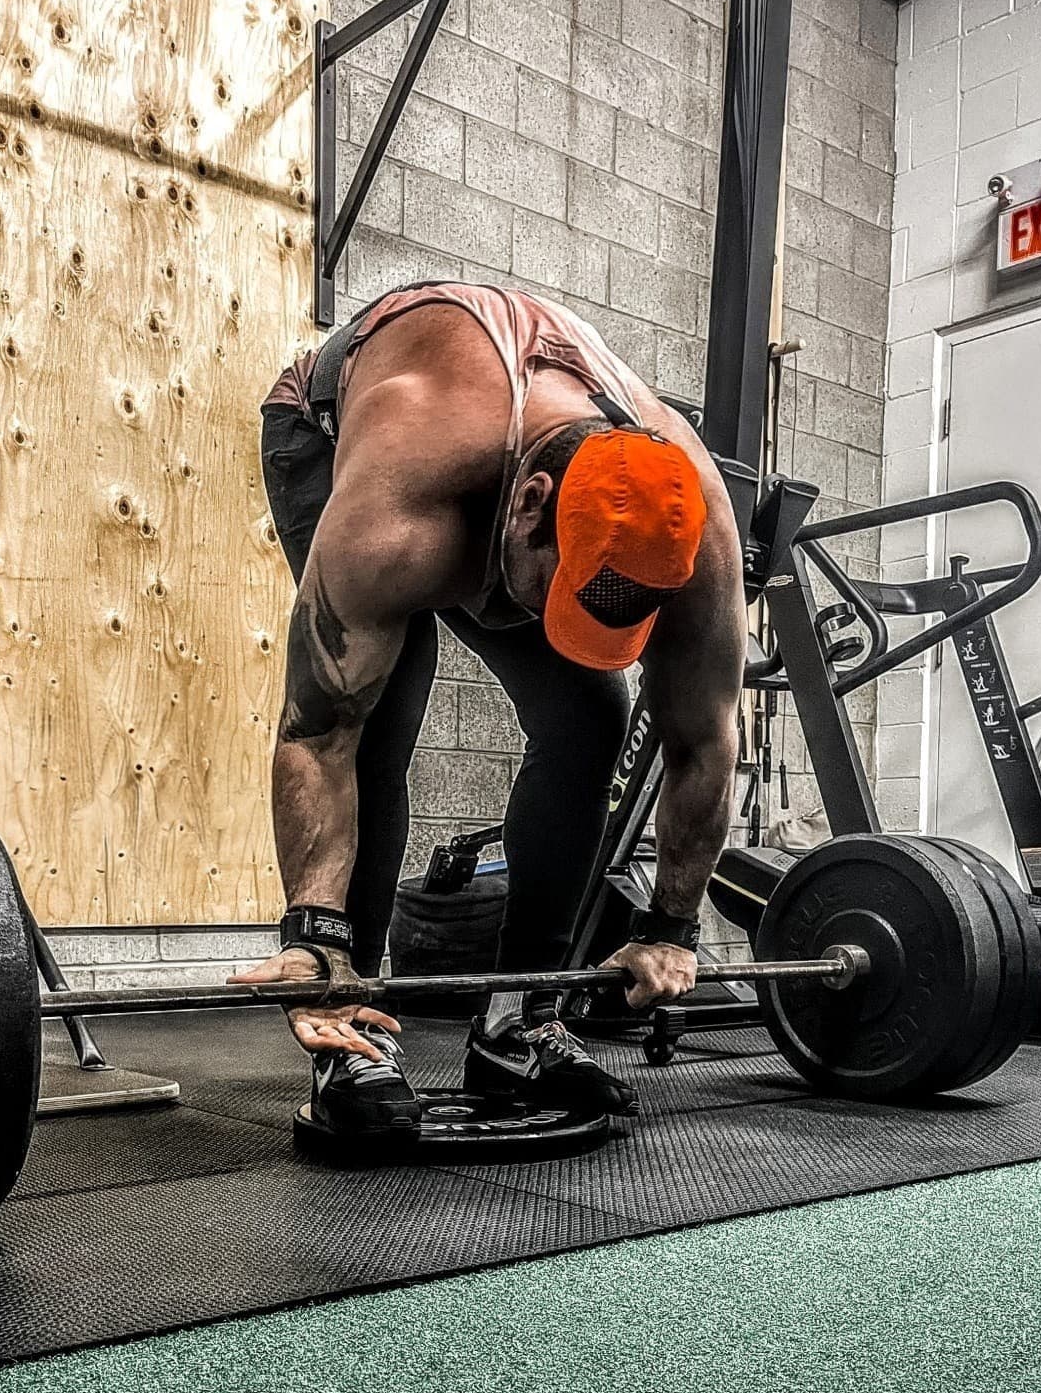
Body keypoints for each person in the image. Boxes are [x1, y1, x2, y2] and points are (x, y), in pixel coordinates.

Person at [233, 281, 746, 1137]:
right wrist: (314, 930)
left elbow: (705, 743)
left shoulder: (696, 537)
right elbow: (320, 733)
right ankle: (352, 1028)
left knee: (590, 711)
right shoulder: (410, 484)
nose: (562, 625)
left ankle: (520, 1023)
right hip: (327, 428)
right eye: (562, 591)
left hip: (500, 457)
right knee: (382, 699)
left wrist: (672, 925)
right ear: (532, 505)